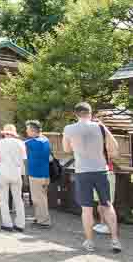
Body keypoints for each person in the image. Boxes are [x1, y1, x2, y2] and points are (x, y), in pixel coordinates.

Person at [63, 102, 121, 253]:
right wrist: (103, 128)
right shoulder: (99, 127)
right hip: (101, 170)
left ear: (76, 114)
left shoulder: (69, 129)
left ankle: (89, 242)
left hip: (82, 171)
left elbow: (66, 149)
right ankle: (115, 240)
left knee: (87, 209)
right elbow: (114, 146)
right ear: (90, 113)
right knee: (108, 205)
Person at [0, 124, 27, 232]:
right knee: (18, 199)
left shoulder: (1, 142)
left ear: (5, 133)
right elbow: (24, 158)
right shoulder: (20, 143)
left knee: (4, 200)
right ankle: (20, 224)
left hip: (4, 172)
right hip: (16, 172)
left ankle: (7, 224)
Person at [25, 120, 51, 228]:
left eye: (27, 129)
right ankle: (39, 218)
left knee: (39, 199)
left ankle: (44, 221)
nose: (26, 131)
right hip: (43, 174)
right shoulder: (45, 140)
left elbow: (22, 144)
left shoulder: (34, 142)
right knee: (40, 198)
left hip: (37, 175)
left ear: (33, 130)